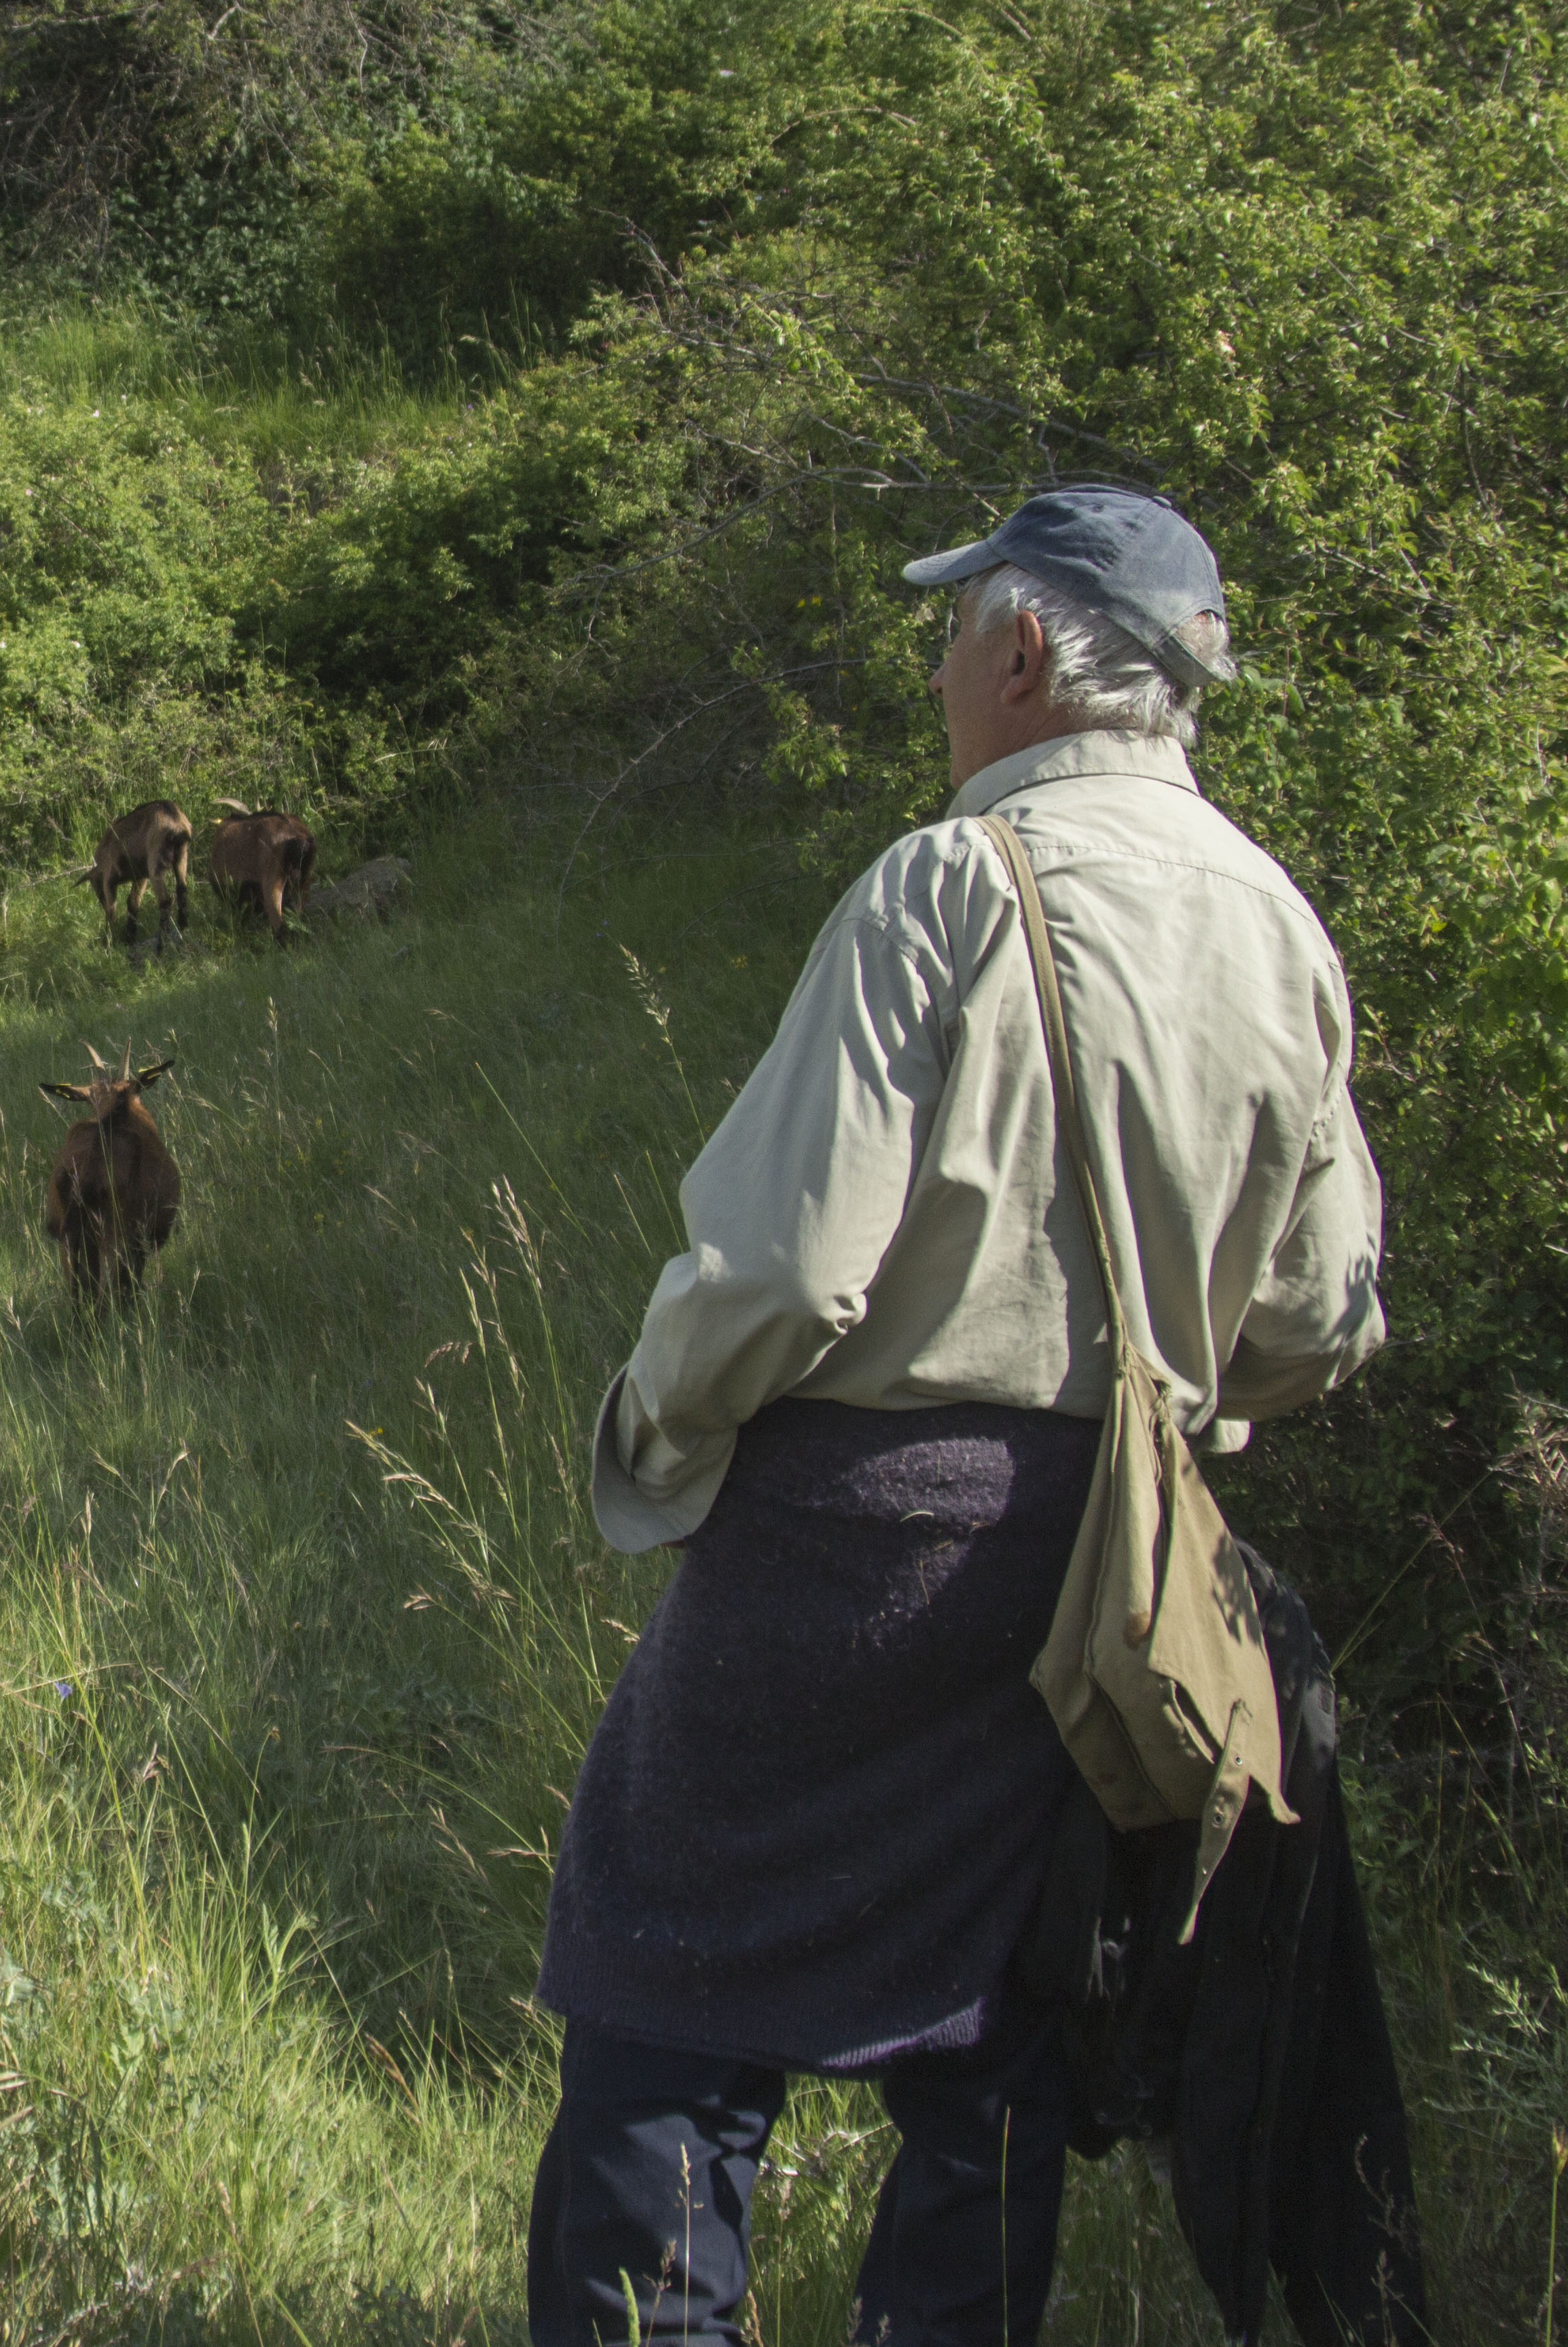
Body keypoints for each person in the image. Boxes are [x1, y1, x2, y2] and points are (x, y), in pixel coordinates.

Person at [523, 486, 1389, 2346]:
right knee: (999, 2023)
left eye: (949, 634)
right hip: (1121, 1583)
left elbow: (782, 1273)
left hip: (862, 1534)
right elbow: (1321, 1318)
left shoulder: (951, 884)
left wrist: (649, 1438)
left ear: (1021, 652)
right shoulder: (1279, 928)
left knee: (665, 1970)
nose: (937, 671)